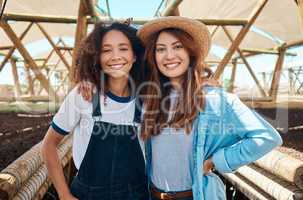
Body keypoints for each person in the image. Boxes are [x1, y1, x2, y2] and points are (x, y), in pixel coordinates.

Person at [137, 16, 283, 200]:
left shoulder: (215, 99)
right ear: (153, 56)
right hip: (152, 194)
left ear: (191, 52)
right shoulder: (150, 99)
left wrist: (216, 161)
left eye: (177, 46)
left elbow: (267, 137)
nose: (169, 55)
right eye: (160, 49)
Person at [41, 22, 149, 200]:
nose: (115, 56)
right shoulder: (84, 96)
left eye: (123, 48)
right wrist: (64, 194)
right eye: (106, 50)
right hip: (87, 195)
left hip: (136, 195)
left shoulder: (147, 100)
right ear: (97, 57)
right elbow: (48, 145)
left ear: (135, 56)